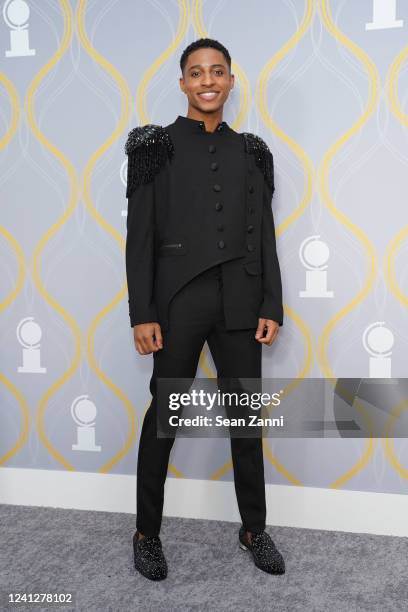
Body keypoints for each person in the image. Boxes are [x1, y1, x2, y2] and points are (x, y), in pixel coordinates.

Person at [125, 38, 285, 581]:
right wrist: (142, 313)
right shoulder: (155, 145)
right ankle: (147, 534)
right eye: (196, 73)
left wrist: (272, 302)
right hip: (178, 301)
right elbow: (139, 238)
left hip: (242, 299)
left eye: (217, 71)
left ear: (231, 81)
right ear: (183, 83)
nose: (207, 80)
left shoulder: (252, 151)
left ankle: (253, 529)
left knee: (246, 423)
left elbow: (264, 233)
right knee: (164, 420)